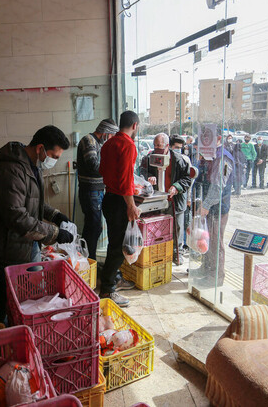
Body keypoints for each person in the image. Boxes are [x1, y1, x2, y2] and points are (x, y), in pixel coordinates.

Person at [0, 125, 73, 321]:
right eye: (54, 156)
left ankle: (20, 325)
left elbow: (33, 201)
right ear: (40, 148)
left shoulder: (30, 165)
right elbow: (16, 216)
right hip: (5, 246)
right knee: (7, 295)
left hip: (23, 243)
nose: (53, 161)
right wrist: (54, 233)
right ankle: (5, 331)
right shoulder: (9, 170)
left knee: (25, 293)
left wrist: (55, 215)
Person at [99, 111, 141, 307]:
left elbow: (103, 171)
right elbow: (125, 181)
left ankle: (114, 279)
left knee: (115, 244)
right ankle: (107, 289)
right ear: (135, 126)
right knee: (117, 248)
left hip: (108, 198)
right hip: (119, 202)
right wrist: (131, 205)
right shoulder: (128, 145)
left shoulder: (107, 144)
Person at [140, 133, 192, 264]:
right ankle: (160, 255)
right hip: (157, 200)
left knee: (177, 229)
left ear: (168, 146)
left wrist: (176, 187)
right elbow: (142, 171)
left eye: (160, 145)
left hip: (175, 201)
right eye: (155, 145)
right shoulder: (149, 158)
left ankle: (177, 255)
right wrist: (149, 176)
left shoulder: (179, 160)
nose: (157, 148)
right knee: (158, 230)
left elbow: (187, 178)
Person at [77, 118, 119, 260]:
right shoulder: (88, 140)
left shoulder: (99, 143)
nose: (112, 139)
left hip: (97, 190)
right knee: (94, 227)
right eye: (112, 135)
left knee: (93, 227)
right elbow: (93, 165)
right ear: (106, 132)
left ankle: (86, 259)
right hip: (90, 191)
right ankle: (90, 261)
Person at [195, 134, 234, 287]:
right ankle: (205, 269)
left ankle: (215, 276)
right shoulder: (210, 155)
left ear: (217, 138)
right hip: (208, 206)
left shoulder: (223, 158)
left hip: (217, 207)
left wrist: (206, 205)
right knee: (206, 239)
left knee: (216, 243)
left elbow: (218, 186)